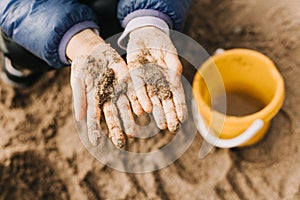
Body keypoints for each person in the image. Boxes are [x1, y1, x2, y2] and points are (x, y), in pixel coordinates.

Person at [0, 0, 191, 148]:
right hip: (41, 12)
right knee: (22, 50)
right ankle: (22, 61)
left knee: (121, 19)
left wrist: (149, 19)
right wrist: (75, 40)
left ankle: (142, 25)